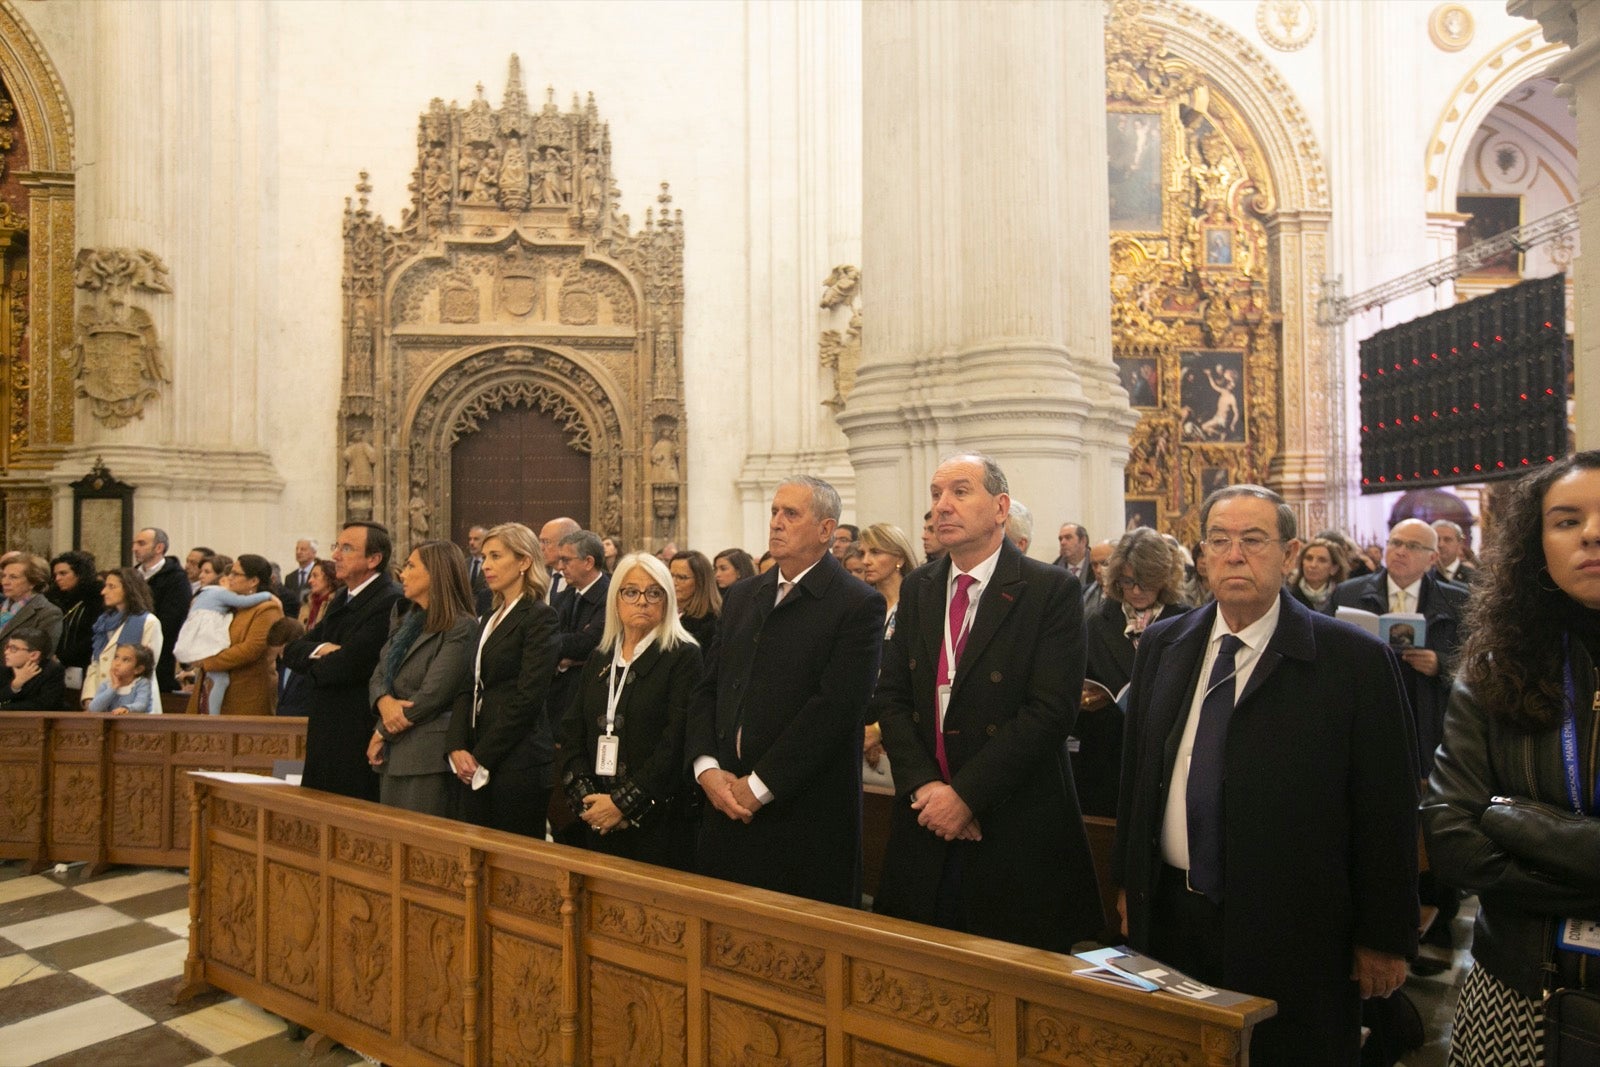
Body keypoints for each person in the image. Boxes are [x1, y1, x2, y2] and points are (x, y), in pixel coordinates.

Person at [1113, 485, 1418, 1066]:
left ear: (1289, 553)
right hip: (1174, 915)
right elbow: (1139, 776)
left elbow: (1385, 807)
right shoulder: (1164, 643)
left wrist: (1384, 935)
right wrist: (1130, 883)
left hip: (1293, 925)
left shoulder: (1352, 661)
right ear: (1200, 558)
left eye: (1253, 541)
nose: (1234, 555)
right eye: (1220, 542)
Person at [872, 454, 1101, 951]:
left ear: (1000, 508)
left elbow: (1050, 711)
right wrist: (927, 787)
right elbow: (890, 698)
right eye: (935, 495)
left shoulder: (1049, 590)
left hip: (1011, 817)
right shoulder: (920, 588)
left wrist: (966, 796)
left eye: (959, 491)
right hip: (925, 815)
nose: (942, 507)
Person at [1421, 450, 1600, 1067]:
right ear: (1537, 546)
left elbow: (1483, 826)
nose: (1593, 534)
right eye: (1567, 520)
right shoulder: (1494, 668)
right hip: (1515, 989)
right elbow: (1451, 836)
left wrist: (1518, 821)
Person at [688, 475, 885, 906]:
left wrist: (758, 786)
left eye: (790, 514)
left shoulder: (856, 603)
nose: (776, 522)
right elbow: (709, 687)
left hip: (801, 813)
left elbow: (835, 709)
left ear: (826, 529)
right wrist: (706, 768)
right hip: (724, 799)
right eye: (774, 511)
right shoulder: (743, 595)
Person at [559, 552, 704, 868]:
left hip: (657, 824)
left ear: (666, 601)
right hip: (596, 816)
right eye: (631, 592)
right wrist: (590, 801)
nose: (642, 601)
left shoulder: (683, 657)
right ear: (616, 600)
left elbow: (675, 741)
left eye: (654, 593)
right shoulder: (601, 657)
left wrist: (622, 805)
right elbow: (572, 731)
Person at [446, 522, 561, 837]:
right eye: (484, 557)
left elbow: (528, 698)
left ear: (524, 561)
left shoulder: (539, 616)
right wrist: (456, 745)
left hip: (517, 760)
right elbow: (468, 685)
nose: (486, 566)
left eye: (496, 556)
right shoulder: (488, 617)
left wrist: (481, 755)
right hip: (476, 754)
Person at [1332, 517, 1469, 773]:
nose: (1401, 551)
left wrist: (1441, 663)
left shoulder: (1457, 599)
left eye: (1413, 546)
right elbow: (1327, 651)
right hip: (1367, 708)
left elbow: (1476, 660)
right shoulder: (1348, 593)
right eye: (1395, 543)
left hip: (1428, 714)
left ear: (1432, 558)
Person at [282, 522, 403, 802]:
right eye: (336, 546)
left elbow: (350, 665)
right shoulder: (341, 599)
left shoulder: (389, 600)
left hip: (355, 731)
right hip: (326, 727)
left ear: (374, 559)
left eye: (346, 548)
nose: (335, 555)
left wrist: (320, 657)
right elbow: (292, 650)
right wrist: (325, 649)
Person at [1078, 527, 1191, 817]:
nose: (1137, 591)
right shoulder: (1096, 622)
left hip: (1168, 753)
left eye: (1146, 582)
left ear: (1164, 578)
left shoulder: (1187, 621)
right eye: (1128, 582)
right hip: (1110, 754)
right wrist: (1085, 700)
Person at [366, 540, 477, 817]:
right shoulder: (407, 619)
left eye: (411, 566)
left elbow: (433, 694)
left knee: (421, 849)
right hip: (395, 752)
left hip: (425, 755)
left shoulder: (460, 626)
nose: (402, 574)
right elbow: (380, 672)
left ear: (436, 574)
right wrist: (383, 701)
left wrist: (382, 731)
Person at [181, 554, 285, 716]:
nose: (229, 577)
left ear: (253, 581)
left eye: (235, 574)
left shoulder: (267, 609)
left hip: (245, 691)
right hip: (210, 684)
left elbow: (251, 650)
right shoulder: (230, 604)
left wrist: (208, 661)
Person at [857, 522, 919, 770]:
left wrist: (879, 730)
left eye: (876, 552)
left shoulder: (915, 605)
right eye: (862, 553)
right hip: (862, 717)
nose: (866, 561)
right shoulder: (864, 606)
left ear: (899, 558)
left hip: (901, 723)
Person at [81, 568, 164, 708]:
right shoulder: (103, 622)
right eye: (105, 586)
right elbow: (96, 663)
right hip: (102, 699)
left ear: (129, 589)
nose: (104, 592)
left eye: (111, 587)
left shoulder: (148, 622)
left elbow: (146, 668)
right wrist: (89, 697)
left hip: (132, 702)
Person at [132, 527, 191, 692]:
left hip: (159, 655)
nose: (134, 548)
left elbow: (172, 619)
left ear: (159, 548)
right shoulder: (132, 576)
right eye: (134, 543)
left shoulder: (176, 578)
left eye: (141, 543)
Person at [48, 552, 102, 695]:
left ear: (80, 574)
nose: (58, 578)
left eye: (63, 573)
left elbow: (94, 634)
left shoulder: (96, 598)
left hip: (86, 664)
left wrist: (64, 657)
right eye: (55, 575)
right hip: (58, 667)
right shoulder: (54, 599)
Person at [0, 554, 63, 657]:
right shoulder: (2, 606)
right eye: (3, 576)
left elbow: (41, 655)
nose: (5, 582)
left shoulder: (48, 613)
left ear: (33, 582)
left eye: (13, 577)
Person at [669, 550, 719, 658]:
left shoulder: (710, 622)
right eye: (670, 575)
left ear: (701, 581)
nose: (673, 582)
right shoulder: (663, 613)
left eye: (682, 577)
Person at [0, 628, 66, 710]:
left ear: (34, 655)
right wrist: (16, 684)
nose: (6, 652)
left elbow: (44, 705)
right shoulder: (4, 670)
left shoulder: (52, 670)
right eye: (7, 647)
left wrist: (3, 708)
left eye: (13, 649)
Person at [87, 643, 156, 715]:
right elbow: (94, 708)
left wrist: (126, 708)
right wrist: (113, 688)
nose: (117, 663)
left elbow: (141, 705)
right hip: (111, 724)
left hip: (136, 724)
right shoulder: (106, 684)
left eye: (125, 660)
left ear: (138, 669)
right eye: (116, 657)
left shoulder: (142, 684)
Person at [1288, 536, 1349, 614]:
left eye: (1322, 560)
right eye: (1309, 558)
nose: (1313, 565)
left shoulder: (1343, 597)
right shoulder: (1289, 595)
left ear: (1334, 568)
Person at [539, 517, 579, 603]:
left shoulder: (581, 577)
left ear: (567, 543)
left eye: (546, 542)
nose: (541, 548)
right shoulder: (539, 577)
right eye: (540, 541)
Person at [1430, 519, 1478, 585]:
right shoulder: (1421, 574)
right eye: (1437, 539)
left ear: (1460, 543)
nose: (1440, 544)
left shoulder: (1474, 577)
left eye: (1447, 539)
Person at [282, 538, 319, 619]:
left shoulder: (319, 574)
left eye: (303, 549)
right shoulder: (290, 577)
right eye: (297, 549)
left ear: (314, 553)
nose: (298, 552)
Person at [297, 559, 338, 629]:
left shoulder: (336, 605)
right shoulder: (306, 604)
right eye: (310, 576)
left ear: (329, 578)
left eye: (315, 576)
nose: (310, 581)